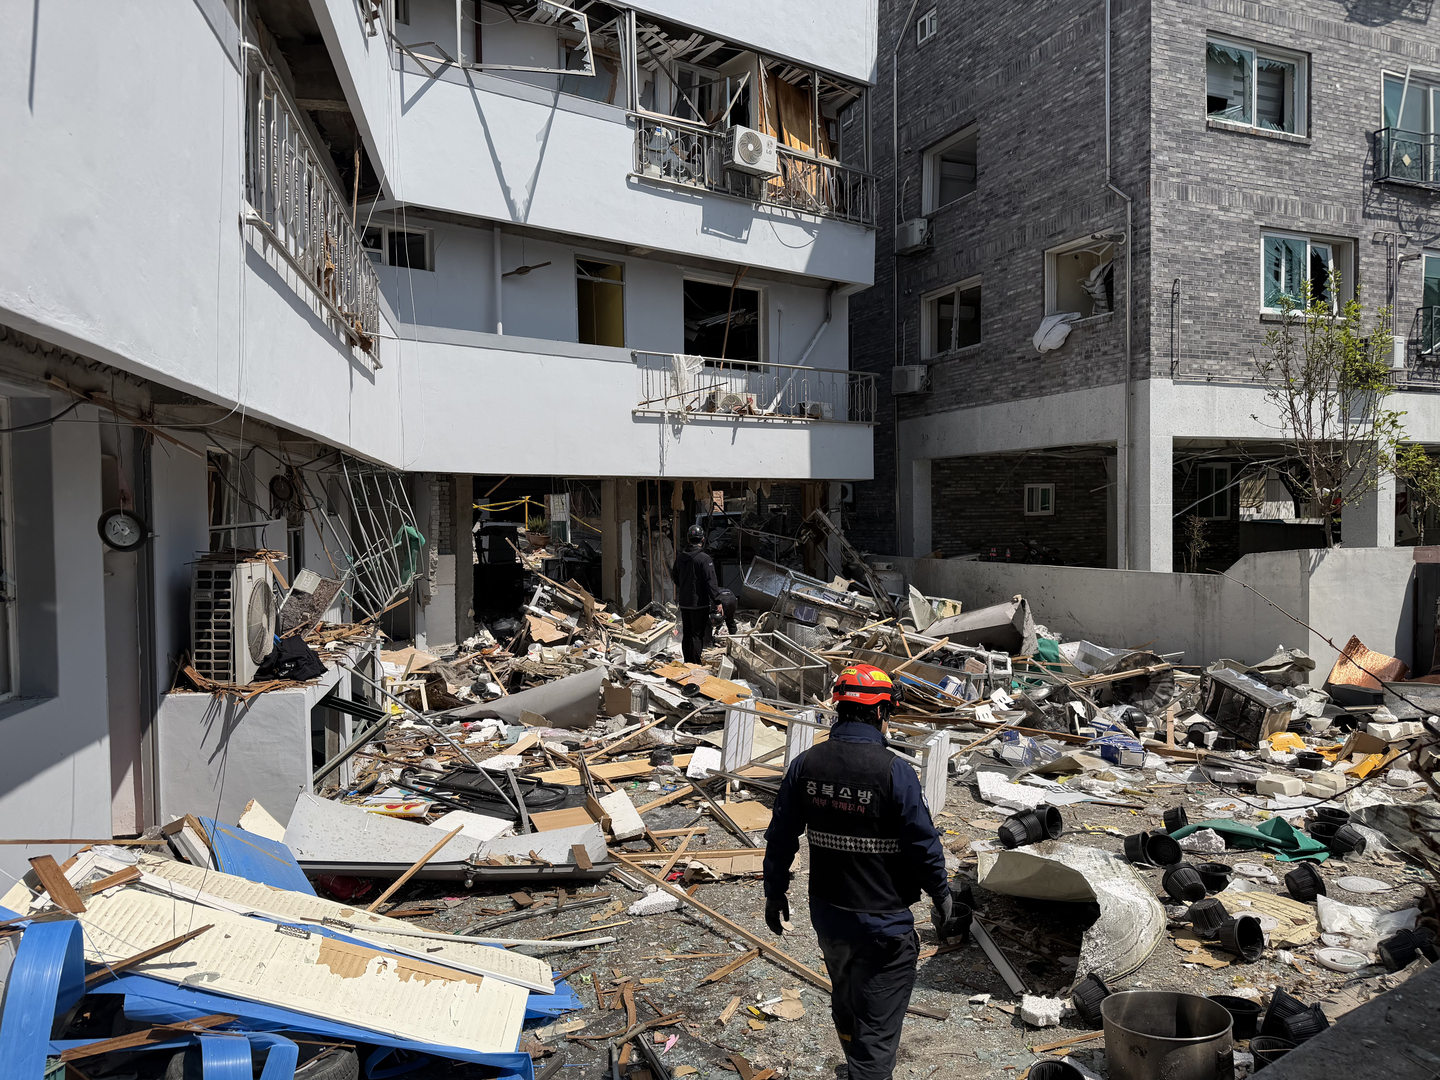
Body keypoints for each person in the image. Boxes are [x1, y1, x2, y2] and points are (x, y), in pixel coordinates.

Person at [762, 663, 958, 1080]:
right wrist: (942, 895)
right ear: (881, 712)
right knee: (879, 1028)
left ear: (840, 708)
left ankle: (855, 1064)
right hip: (883, 924)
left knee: (847, 997)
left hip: (830, 915)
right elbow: (923, 845)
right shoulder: (895, 771)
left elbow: (781, 836)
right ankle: (864, 1071)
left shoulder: (805, 765)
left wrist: (774, 892)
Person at [671, 523, 720, 664]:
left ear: (688, 540)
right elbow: (711, 582)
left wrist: (685, 588)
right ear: (703, 539)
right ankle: (695, 664)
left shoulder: (680, 558)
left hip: (685, 602)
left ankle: (687, 661)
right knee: (697, 635)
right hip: (700, 603)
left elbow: (675, 577)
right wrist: (717, 601)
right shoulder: (704, 559)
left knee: (687, 633)